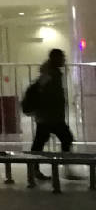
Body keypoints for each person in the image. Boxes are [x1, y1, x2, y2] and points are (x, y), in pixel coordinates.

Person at [25, 48, 72, 185]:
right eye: (62, 57)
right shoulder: (49, 74)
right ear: (54, 58)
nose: (64, 60)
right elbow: (41, 91)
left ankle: (35, 169)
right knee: (65, 138)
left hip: (50, 115)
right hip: (49, 116)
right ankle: (63, 167)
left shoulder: (54, 73)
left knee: (40, 142)